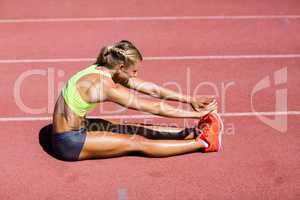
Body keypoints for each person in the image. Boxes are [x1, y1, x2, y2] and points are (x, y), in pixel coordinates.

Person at [52, 40, 222, 161]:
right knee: (136, 142)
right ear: (121, 67)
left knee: (132, 128)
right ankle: (204, 142)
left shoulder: (101, 67)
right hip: (69, 142)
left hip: (79, 126)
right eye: (134, 71)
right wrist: (197, 114)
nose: (136, 75)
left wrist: (189, 99)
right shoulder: (104, 85)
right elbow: (152, 107)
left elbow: (151, 89)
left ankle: (194, 132)